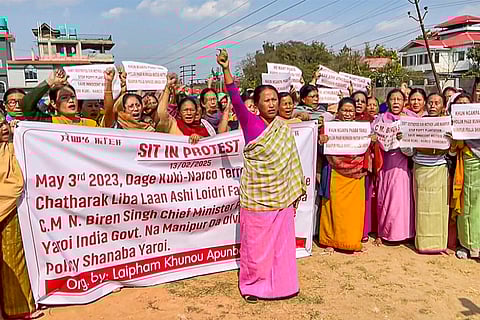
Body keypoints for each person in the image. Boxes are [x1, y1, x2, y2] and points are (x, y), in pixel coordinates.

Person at [218, 48, 306, 303]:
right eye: (266, 100)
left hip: (282, 198)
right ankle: (253, 287)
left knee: (281, 246)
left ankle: (284, 285)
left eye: (274, 99)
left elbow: (290, 162)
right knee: (256, 248)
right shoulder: (250, 122)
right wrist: (226, 70)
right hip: (258, 198)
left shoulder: (282, 127)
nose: (271, 103)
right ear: (256, 105)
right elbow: (234, 98)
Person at [318, 97, 370, 252]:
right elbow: (321, 152)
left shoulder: (362, 129)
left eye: (351, 111)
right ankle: (330, 241)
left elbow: (366, 149)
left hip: (356, 173)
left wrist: (371, 141)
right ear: (338, 111)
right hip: (334, 171)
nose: (348, 114)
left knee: (353, 210)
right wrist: (322, 142)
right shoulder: (329, 128)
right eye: (344, 110)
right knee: (332, 208)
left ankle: (352, 241)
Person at [0, 114, 37, 319]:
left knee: (12, 255)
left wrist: (21, 135)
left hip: (11, 209)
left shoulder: (16, 147)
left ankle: (19, 308)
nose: (3, 128)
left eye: (3, 123)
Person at [403, 93, 449, 253]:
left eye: (437, 103)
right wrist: (403, 140)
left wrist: (453, 140)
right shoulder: (417, 124)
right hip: (420, 168)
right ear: (426, 105)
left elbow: (453, 153)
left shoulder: (447, 125)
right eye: (430, 102)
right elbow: (409, 152)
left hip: (439, 169)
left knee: (439, 208)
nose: (433, 106)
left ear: (443, 106)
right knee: (421, 208)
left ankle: (439, 243)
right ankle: (422, 243)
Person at [373, 89, 415, 245]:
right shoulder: (380, 120)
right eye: (393, 99)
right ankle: (385, 232)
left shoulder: (410, 119)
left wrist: (404, 139)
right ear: (388, 102)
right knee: (385, 199)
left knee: (402, 200)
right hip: (385, 164)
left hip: (403, 163)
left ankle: (404, 233)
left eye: (399, 99)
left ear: (404, 102)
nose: (396, 102)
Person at [450, 93, 480, 259]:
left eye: (465, 104)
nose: (462, 107)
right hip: (468, 163)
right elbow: (453, 150)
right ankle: (467, 245)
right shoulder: (454, 123)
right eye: (459, 104)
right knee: (467, 203)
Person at [157, 75, 212, 144]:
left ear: (196, 112)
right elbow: (162, 113)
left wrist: (200, 139)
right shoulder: (173, 124)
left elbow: (211, 144)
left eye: (192, 110)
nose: (189, 113)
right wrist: (168, 88)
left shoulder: (203, 129)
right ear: (179, 113)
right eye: (185, 110)